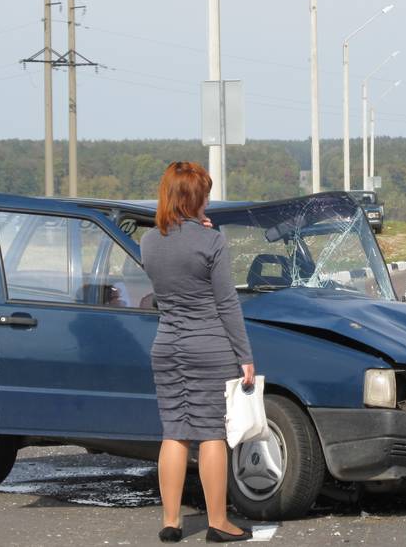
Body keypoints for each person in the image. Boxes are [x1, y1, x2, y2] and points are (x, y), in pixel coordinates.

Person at [140, 161, 256, 543]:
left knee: (174, 431)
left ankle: (171, 521)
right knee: (211, 435)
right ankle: (218, 522)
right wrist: (245, 355)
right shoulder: (212, 242)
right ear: (195, 198)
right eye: (204, 193)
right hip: (209, 345)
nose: (208, 199)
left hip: (166, 345)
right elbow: (226, 303)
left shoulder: (149, 241)